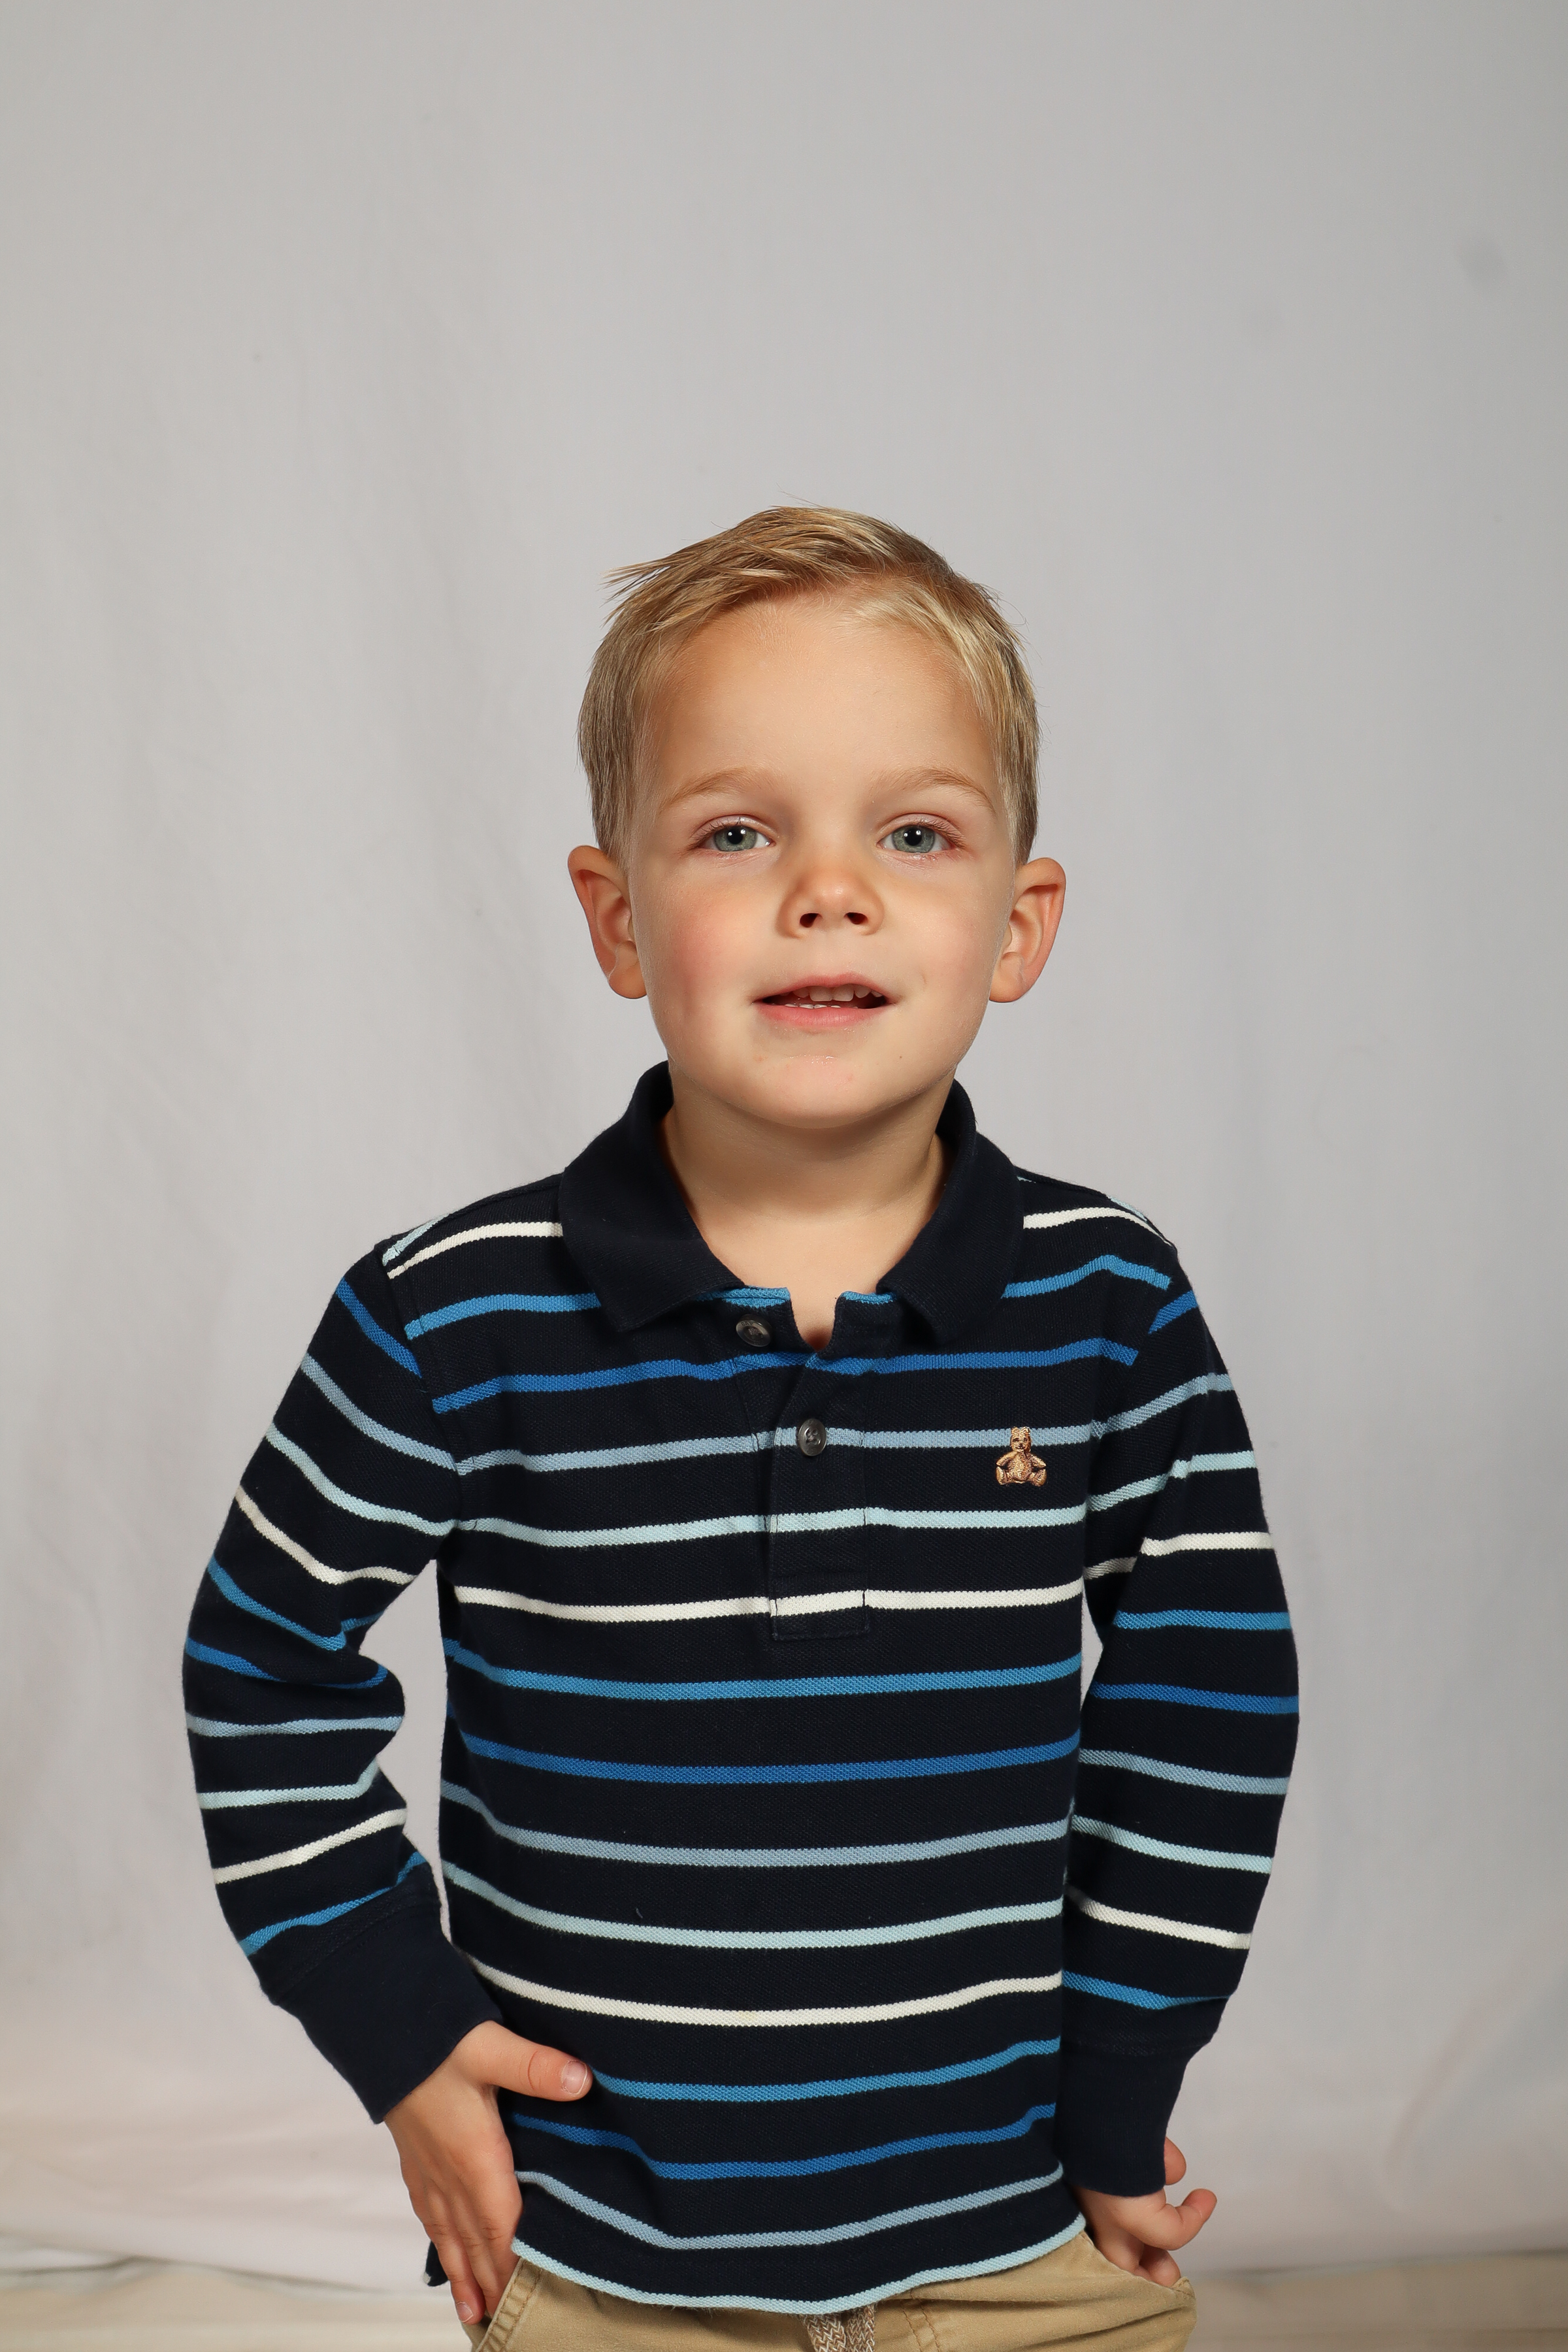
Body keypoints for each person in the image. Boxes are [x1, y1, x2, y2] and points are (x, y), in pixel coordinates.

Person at [184, 508, 1296, 2351]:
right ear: (618, 918)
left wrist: (1121, 2088)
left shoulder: (1110, 1304)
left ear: (1019, 925)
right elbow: (259, 1671)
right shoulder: (447, 1316)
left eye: (914, 834)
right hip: (600, 2259)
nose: (829, 891)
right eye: (737, 833)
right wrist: (403, 2037)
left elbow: (1208, 1708)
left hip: (1013, 2230)